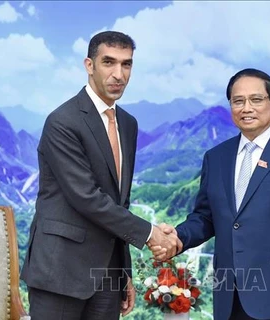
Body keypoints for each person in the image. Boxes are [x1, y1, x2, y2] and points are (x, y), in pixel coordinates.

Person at [20, 31, 180, 320]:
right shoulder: (62, 122)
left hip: (107, 275)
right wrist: (150, 233)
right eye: (109, 62)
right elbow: (86, 197)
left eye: (127, 64)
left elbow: (120, 203)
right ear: (89, 65)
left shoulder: (128, 124)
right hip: (60, 271)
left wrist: (124, 273)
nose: (119, 74)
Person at [155, 68, 270, 320]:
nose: (246, 108)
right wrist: (178, 237)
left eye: (256, 100)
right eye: (238, 101)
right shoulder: (216, 158)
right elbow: (206, 217)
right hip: (230, 296)